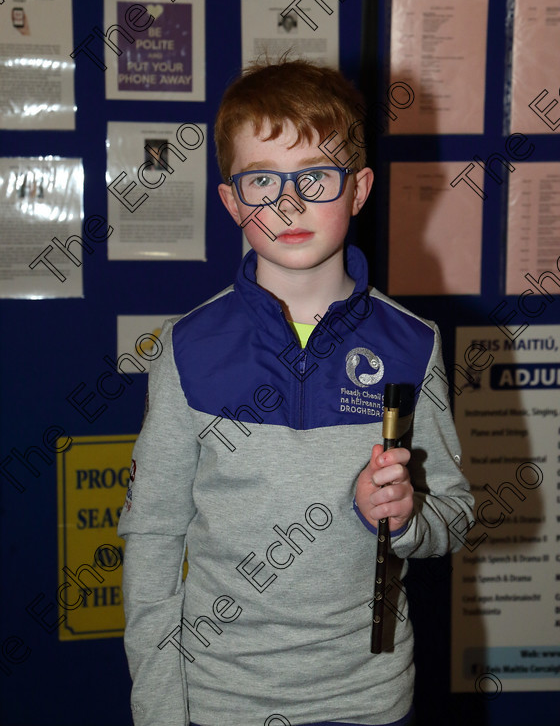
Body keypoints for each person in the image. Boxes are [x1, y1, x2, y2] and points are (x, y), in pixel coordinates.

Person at [118, 58, 474, 726]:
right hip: (221, 704)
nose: (288, 203)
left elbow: (451, 515)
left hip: (367, 702)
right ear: (231, 201)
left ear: (359, 188)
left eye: (315, 177)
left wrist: (404, 520)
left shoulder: (413, 344)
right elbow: (152, 540)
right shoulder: (188, 348)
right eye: (261, 181)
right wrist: (161, 710)